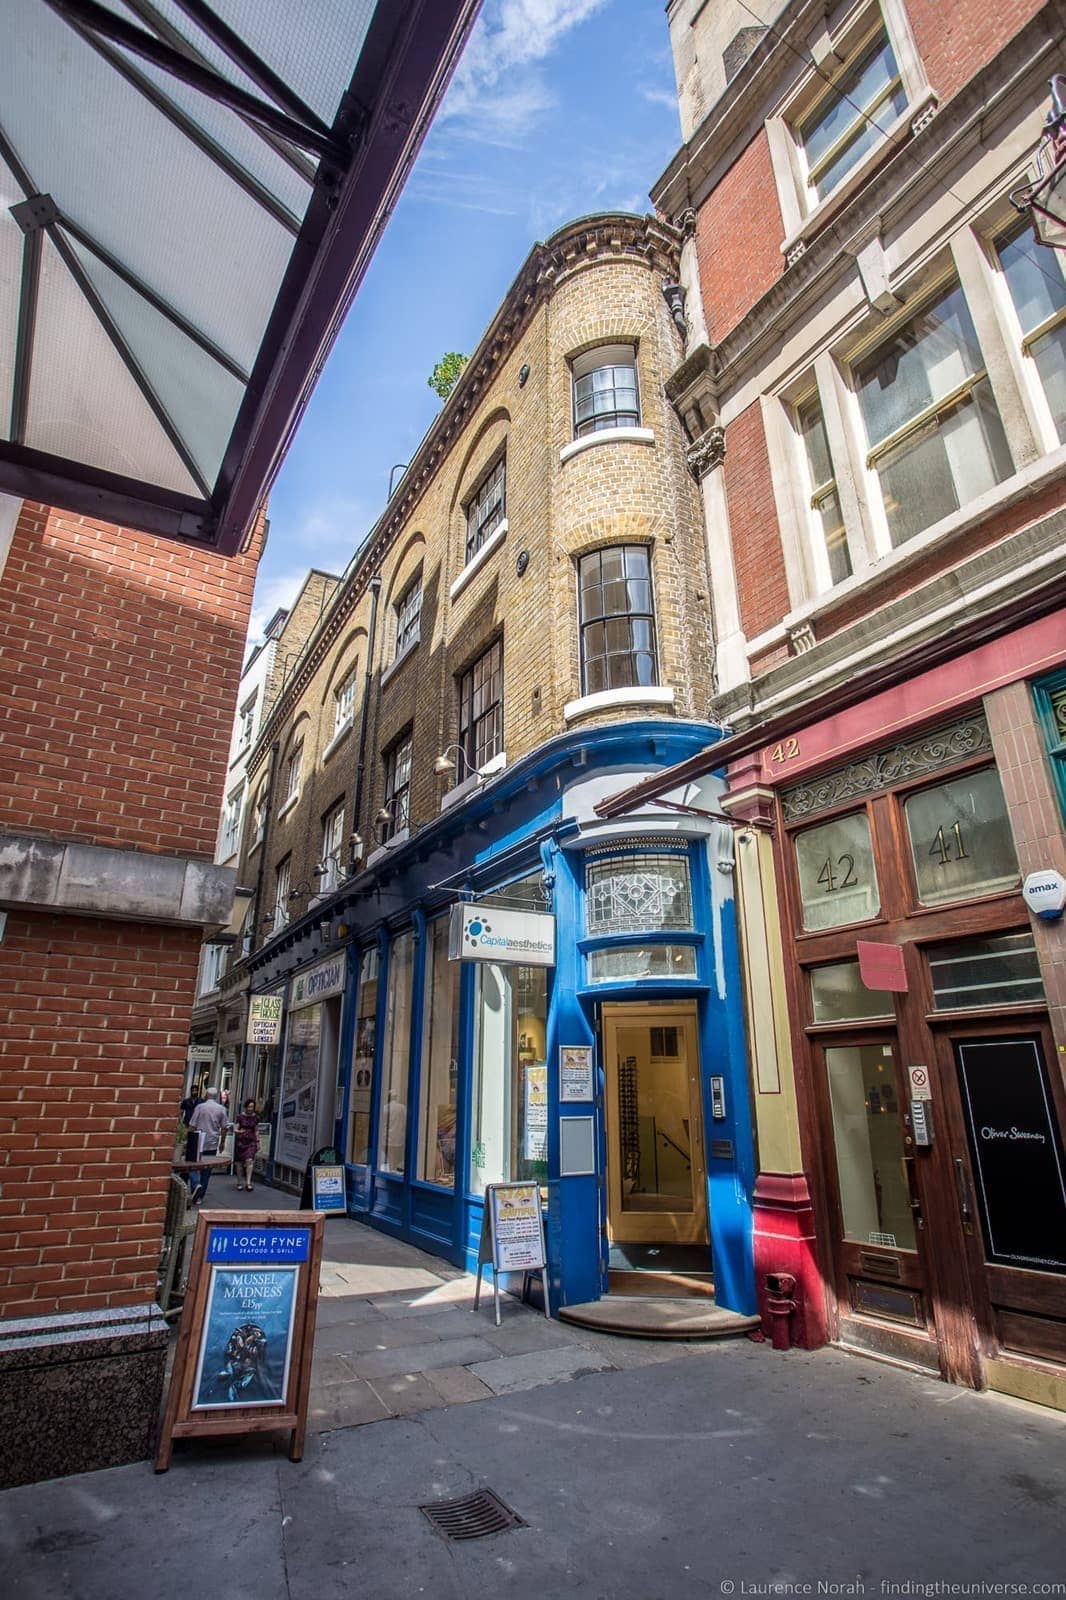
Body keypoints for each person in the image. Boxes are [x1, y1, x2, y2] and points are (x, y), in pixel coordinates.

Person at [187, 1086, 229, 1203]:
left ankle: (195, 1184)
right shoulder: (221, 1109)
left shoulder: (200, 1107)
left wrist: (187, 1138)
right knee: (207, 1169)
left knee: (192, 1164)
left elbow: (192, 1124)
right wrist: (222, 1142)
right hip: (212, 1141)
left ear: (206, 1095)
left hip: (197, 1139)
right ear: (216, 1096)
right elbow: (224, 1127)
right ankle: (200, 1196)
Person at [233, 1099, 260, 1192]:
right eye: (249, 1107)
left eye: (252, 1107)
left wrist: (258, 1142)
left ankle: (248, 1182)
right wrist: (239, 1131)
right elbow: (235, 1128)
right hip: (241, 1141)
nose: (250, 1109)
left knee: (250, 1161)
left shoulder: (256, 1117)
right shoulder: (240, 1117)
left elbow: (256, 1130)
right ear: (246, 1107)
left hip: (251, 1141)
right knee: (239, 1163)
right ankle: (239, 1182)